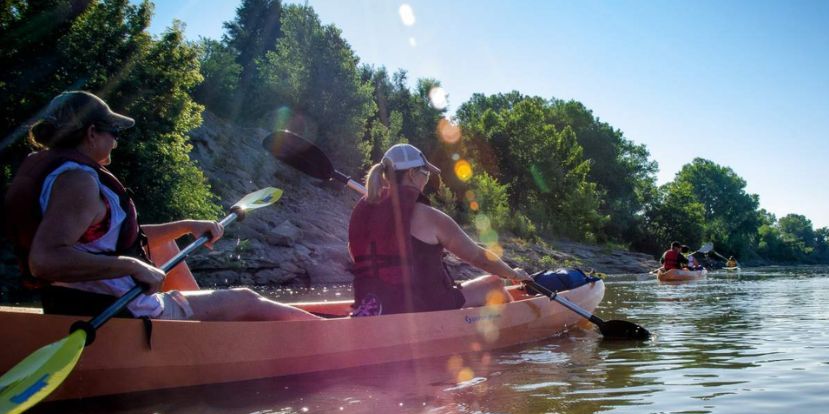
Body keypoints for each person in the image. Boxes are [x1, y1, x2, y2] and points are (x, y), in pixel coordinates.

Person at [3, 91, 317, 321]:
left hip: (73, 302)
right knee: (246, 299)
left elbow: (106, 239)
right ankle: (327, 334)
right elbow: (43, 261)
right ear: (91, 133)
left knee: (164, 246)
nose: (115, 141)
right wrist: (132, 266)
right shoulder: (79, 181)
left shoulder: (50, 174)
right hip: (118, 311)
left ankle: (201, 324)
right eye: (112, 133)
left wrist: (186, 226)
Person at [348, 143, 531, 316]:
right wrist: (513, 274)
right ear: (412, 173)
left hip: (372, 304)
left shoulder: (363, 213)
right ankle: (514, 334)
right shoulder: (429, 216)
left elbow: (354, 255)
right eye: (425, 174)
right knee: (495, 284)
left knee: (462, 287)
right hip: (424, 307)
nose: (426, 181)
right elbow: (479, 258)